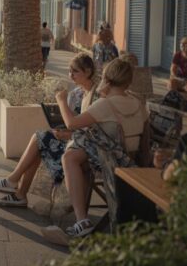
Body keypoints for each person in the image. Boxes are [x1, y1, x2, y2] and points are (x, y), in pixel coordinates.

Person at [0, 53, 98, 207]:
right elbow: (70, 123)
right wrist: (62, 130)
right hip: (73, 140)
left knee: (40, 138)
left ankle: (15, 185)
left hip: (82, 149)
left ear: (87, 71)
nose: (70, 75)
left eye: (75, 71)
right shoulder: (76, 94)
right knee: (40, 139)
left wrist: (65, 124)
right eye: (69, 71)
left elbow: (89, 130)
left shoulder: (96, 97)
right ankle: (18, 191)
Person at [57, 58, 147, 238]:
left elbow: (71, 123)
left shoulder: (105, 104)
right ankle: (79, 216)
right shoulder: (138, 102)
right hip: (133, 159)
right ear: (128, 81)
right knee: (77, 155)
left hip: (111, 162)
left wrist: (61, 101)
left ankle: (81, 220)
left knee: (69, 158)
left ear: (105, 78)